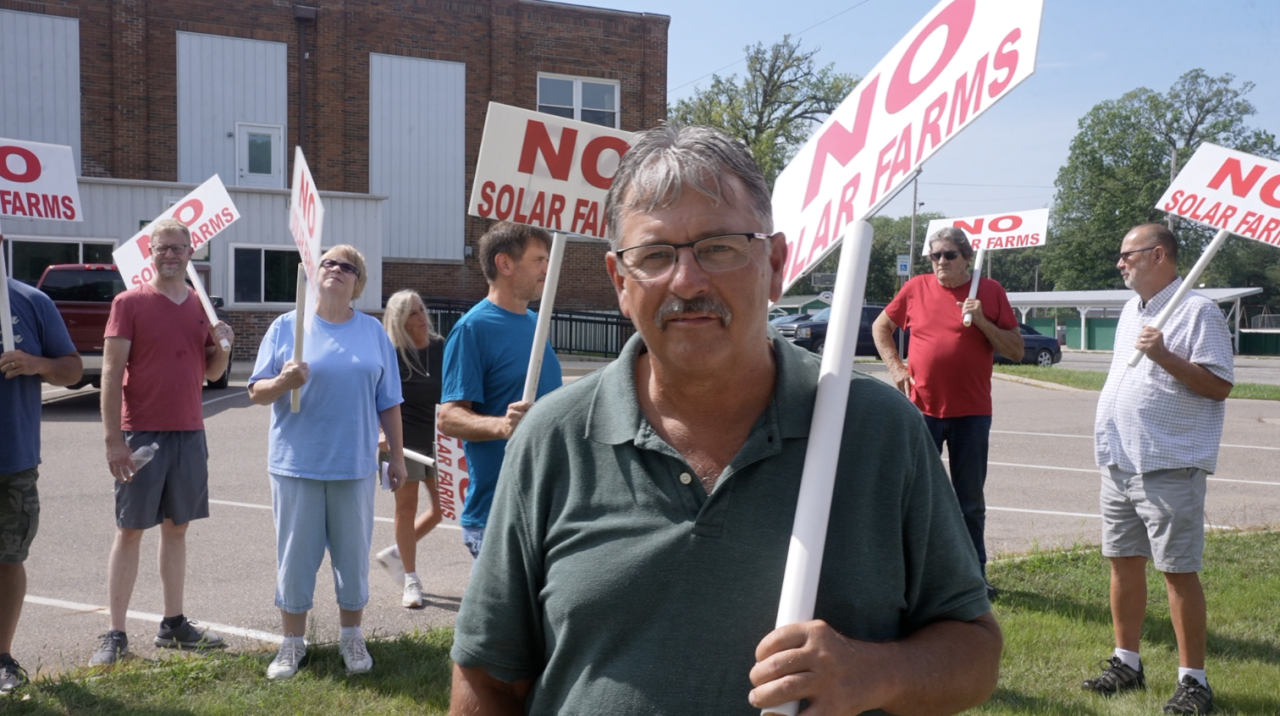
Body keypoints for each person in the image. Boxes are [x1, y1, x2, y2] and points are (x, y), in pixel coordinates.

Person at [448, 125, 1001, 716]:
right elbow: (486, 678)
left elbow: (974, 651)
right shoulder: (552, 438)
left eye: (720, 246)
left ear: (776, 263)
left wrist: (878, 673)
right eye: (655, 255)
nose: (687, 281)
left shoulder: (877, 429)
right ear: (619, 281)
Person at [1083, 224, 1233, 715]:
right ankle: (1127, 661)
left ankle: (1194, 683)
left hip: (1169, 463)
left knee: (1177, 570)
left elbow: (1218, 387)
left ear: (1159, 255)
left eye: (1128, 255)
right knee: (1123, 562)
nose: (1120, 263)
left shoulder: (1198, 311)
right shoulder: (1132, 311)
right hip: (1120, 460)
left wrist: (1164, 354)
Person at [248, 245, 407, 680]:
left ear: (359, 282)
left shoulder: (372, 333)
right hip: (296, 463)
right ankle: (292, 643)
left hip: (353, 465)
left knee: (352, 558)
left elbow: (389, 400)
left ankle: (351, 636)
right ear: (315, 274)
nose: (336, 270)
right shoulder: (288, 326)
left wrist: (395, 456)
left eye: (347, 266)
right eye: (329, 263)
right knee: (295, 558)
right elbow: (256, 391)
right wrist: (284, 380)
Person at [93, 219, 234, 666]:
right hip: (142, 432)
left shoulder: (200, 307)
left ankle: (173, 624)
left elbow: (211, 375)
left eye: (178, 248)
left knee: (177, 528)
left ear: (192, 252)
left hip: (190, 432)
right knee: (130, 529)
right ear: (149, 254)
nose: (170, 255)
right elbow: (111, 374)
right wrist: (114, 440)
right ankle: (115, 632)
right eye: (162, 248)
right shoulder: (129, 302)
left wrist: (224, 348)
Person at [871, 226, 1023, 598]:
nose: (940, 261)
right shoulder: (916, 288)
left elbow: (1016, 351)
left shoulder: (989, 292)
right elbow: (881, 327)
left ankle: (975, 577)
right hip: (922, 409)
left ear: (967, 258)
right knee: (913, 496)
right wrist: (896, 368)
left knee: (969, 501)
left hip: (971, 412)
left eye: (948, 255)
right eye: (935, 255)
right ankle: (910, 576)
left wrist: (983, 320)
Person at [438, 221, 562, 564]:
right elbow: (449, 418)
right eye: (539, 260)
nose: (547, 269)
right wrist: (503, 427)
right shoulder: (472, 329)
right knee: (503, 620)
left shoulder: (536, 322)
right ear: (505, 264)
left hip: (546, 511)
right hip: (498, 518)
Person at [1, 239, 83, 694]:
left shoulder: (32, 301)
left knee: (8, 560)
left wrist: (35, 364)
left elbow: (72, 370)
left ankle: (2, 658)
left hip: (12, 459)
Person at [374, 289, 445, 609]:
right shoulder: (391, 353)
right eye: (413, 313)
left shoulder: (442, 347)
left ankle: (397, 552)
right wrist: (380, 433)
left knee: (446, 509)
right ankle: (411, 579)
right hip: (402, 442)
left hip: (441, 441)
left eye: (421, 310)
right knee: (406, 508)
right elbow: (374, 396)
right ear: (399, 320)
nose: (422, 318)